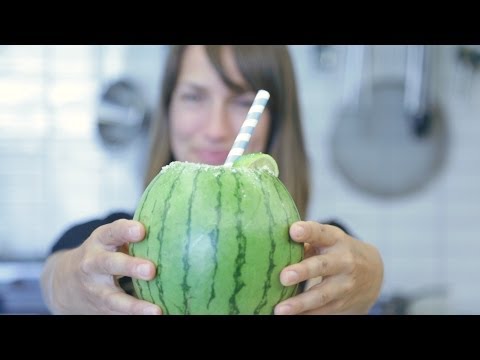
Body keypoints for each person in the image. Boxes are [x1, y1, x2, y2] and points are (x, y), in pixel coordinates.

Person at [40, 45, 384, 315]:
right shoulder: (118, 248)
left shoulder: (318, 257)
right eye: (194, 97)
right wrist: (73, 279)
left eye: (243, 101)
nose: (217, 130)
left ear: (275, 121)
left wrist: (371, 276)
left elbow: (361, 279)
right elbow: (56, 277)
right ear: (168, 109)